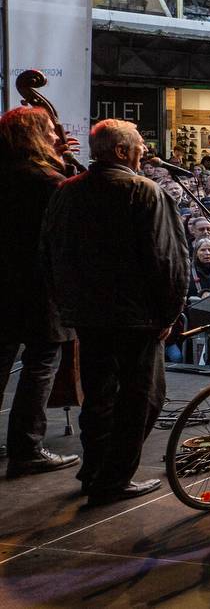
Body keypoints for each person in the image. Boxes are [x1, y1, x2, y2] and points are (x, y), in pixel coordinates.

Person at [43, 119, 190, 504]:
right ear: (122, 151)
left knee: (99, 395)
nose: (144, 150)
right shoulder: (145, 192)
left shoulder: (66, 191)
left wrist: (65, 301)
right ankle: (114, 478)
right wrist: (170, 313)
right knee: (143, 397)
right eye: (139, 144)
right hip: (137, 317)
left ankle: (95, 469)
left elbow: (49, 250)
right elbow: (167, 259)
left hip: (87, 314)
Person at [0, 106, 80, 475]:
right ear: (33, 135)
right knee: (41, 365)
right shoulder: (46, 180)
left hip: (5, 284)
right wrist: (63, 166)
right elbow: (72, 222)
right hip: (37, 286)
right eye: (48, 130)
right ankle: (26, 448)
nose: (55, 135)